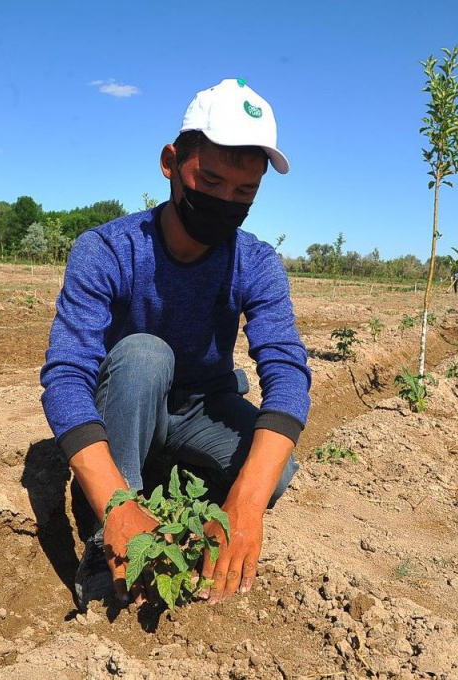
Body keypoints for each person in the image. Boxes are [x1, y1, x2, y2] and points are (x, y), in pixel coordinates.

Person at [40, 78, 311, 611]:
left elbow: (288, 373)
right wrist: (117, 506)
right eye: (209, 179)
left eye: (244, 192)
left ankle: (164, 480)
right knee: (145, 354)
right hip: (126, 397)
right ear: (170, 163)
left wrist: (247, 505)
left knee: (272, 474)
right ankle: (107, 529)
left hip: (200, 408)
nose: (224, 202)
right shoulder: (107, 250)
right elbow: (66, 377)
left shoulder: (254, 262)